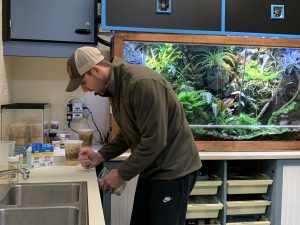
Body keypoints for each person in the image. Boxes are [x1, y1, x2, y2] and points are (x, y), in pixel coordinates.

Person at [65, 46, 202, 225]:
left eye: (83, 82)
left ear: (96, 70)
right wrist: (101, 155)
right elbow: (129, 134)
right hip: (152, 168)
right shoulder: (114, 89)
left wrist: (121, 174)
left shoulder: (141, 83)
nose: (85, 89)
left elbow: (155, 140)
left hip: (173, 170)